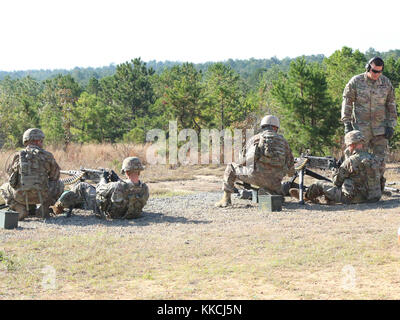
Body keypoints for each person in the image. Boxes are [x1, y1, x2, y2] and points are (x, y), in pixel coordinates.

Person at [341, 56, 397, 189]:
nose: (377, 74)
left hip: (380, 128)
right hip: (360, 130)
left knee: (380, 161)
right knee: (355, 159)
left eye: (379, 71)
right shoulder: (356, 81)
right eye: (374, 71)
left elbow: (391, 105)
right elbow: (347, 102)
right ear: (368, 68)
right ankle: (353, 187)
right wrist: (347, 123)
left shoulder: (386, 83)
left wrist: (391, 125)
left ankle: (376, 188)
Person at [215, 115, 295, 207]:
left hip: (255, 177)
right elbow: (290, 171)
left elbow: (242, 161)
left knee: (231, 167)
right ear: (276, 127)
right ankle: (271, 193)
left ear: (263, 126)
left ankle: (226, 199)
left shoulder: (255, 139)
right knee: (278, 195)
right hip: (275, 182)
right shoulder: (284, 142)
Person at [289, 130, 382, 204]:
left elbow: (336, 182)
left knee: (319, 184)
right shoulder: (374, 158)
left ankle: (305, 197)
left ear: (352, 145)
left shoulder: (351, 161)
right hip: (374, 197)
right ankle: (326, 198)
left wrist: (334, 170)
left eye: (348, 145)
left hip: (354, 199)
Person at [0, 128, 64, 220]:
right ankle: (44, 208)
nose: (42, 142)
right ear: (38, 141)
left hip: (20, 196)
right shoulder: (47, 155)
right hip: (42, 196)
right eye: (41, 141)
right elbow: (55, 177)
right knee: (60, 184)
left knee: (3, 187)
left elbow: (11, 178)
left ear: (26, 141)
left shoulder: (17, 155)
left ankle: (19, 208)